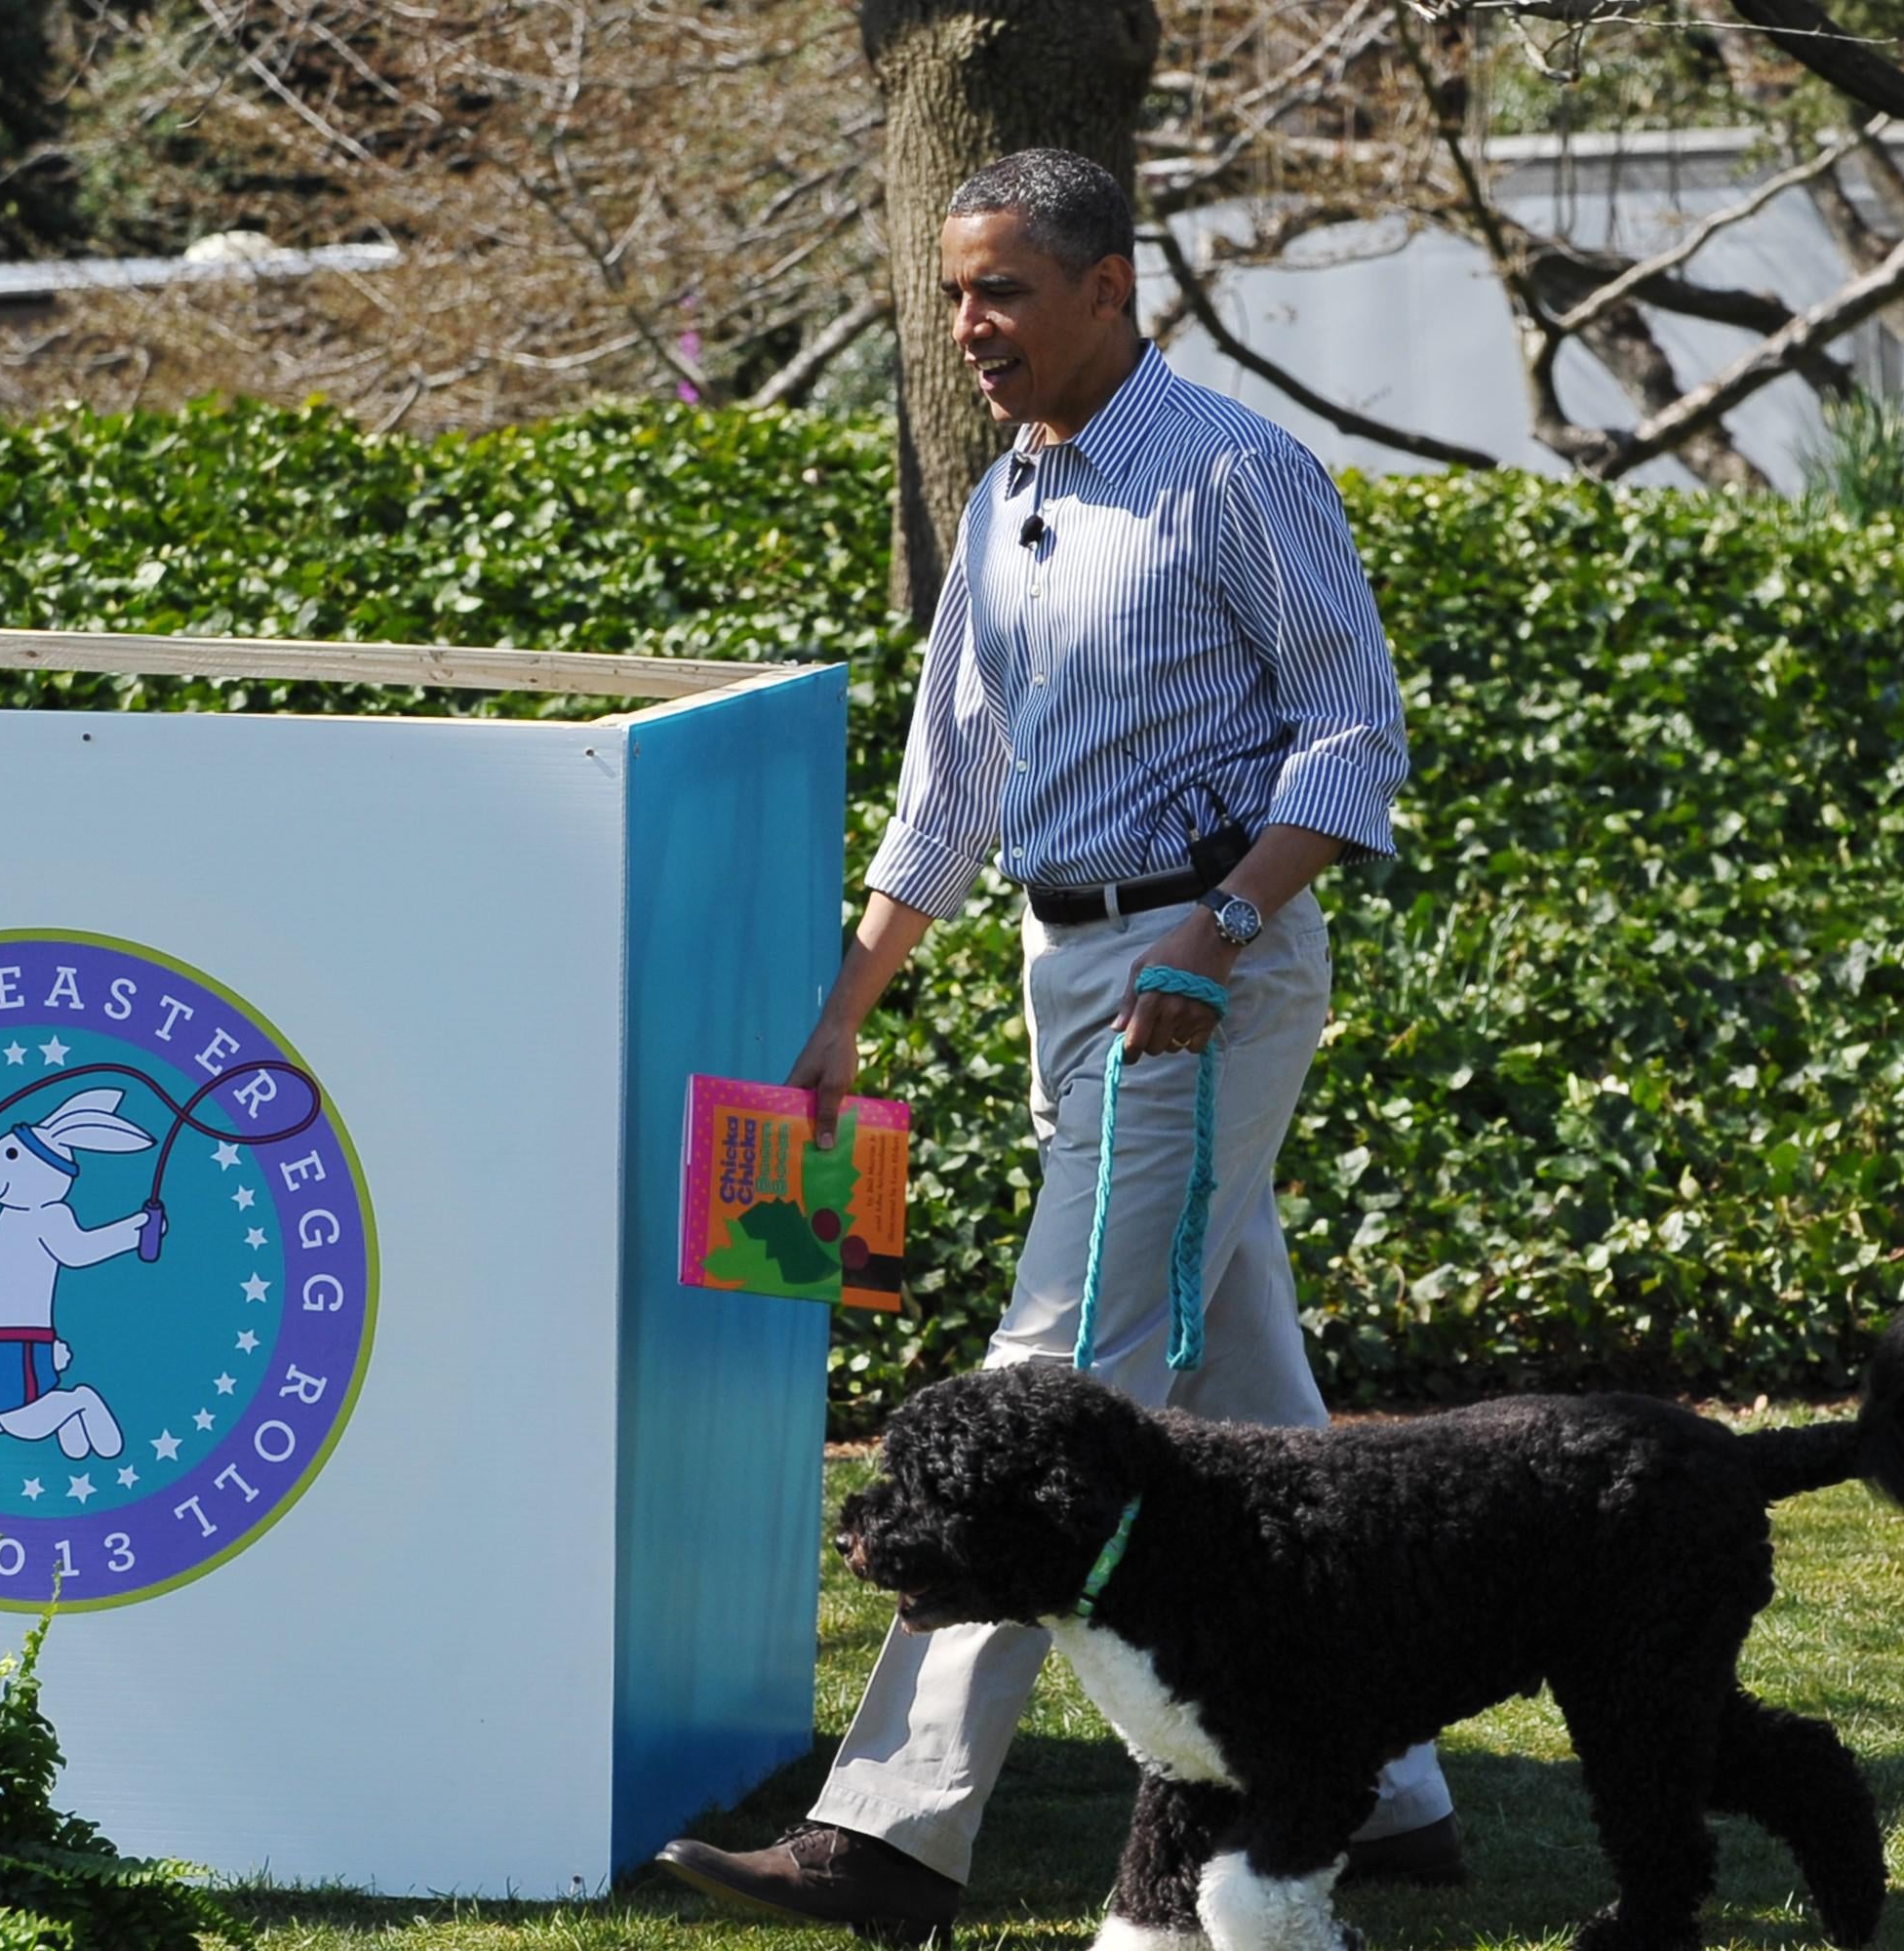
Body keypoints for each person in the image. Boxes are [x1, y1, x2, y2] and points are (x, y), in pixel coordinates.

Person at [654, 147, 1459, 1942]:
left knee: (1048, 1387)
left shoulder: (1242, 474)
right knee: (1242, 1374)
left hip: (1199, 975)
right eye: (955, 294)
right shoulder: (1008, 491)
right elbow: (953, 781)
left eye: (1005, 289)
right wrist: (844, 1021)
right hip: (1067, 966)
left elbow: (1352, 740)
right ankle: (1392, 1789)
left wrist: (1220, 928)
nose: (970, 327)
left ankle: (887, 1832)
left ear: (1112, 288)